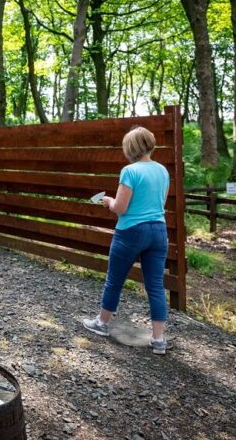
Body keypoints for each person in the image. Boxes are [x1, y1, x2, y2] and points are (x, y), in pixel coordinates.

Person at [82, 126, 170, 355]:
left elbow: (121, 208)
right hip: (159, 230)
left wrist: (109, 201)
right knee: (156, 286)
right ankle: (159, 340)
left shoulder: (129, 171)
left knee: (115, 280)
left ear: (130, 148)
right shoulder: (162, 170)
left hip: (131, 230)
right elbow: (159, 203)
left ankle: (101, 324)